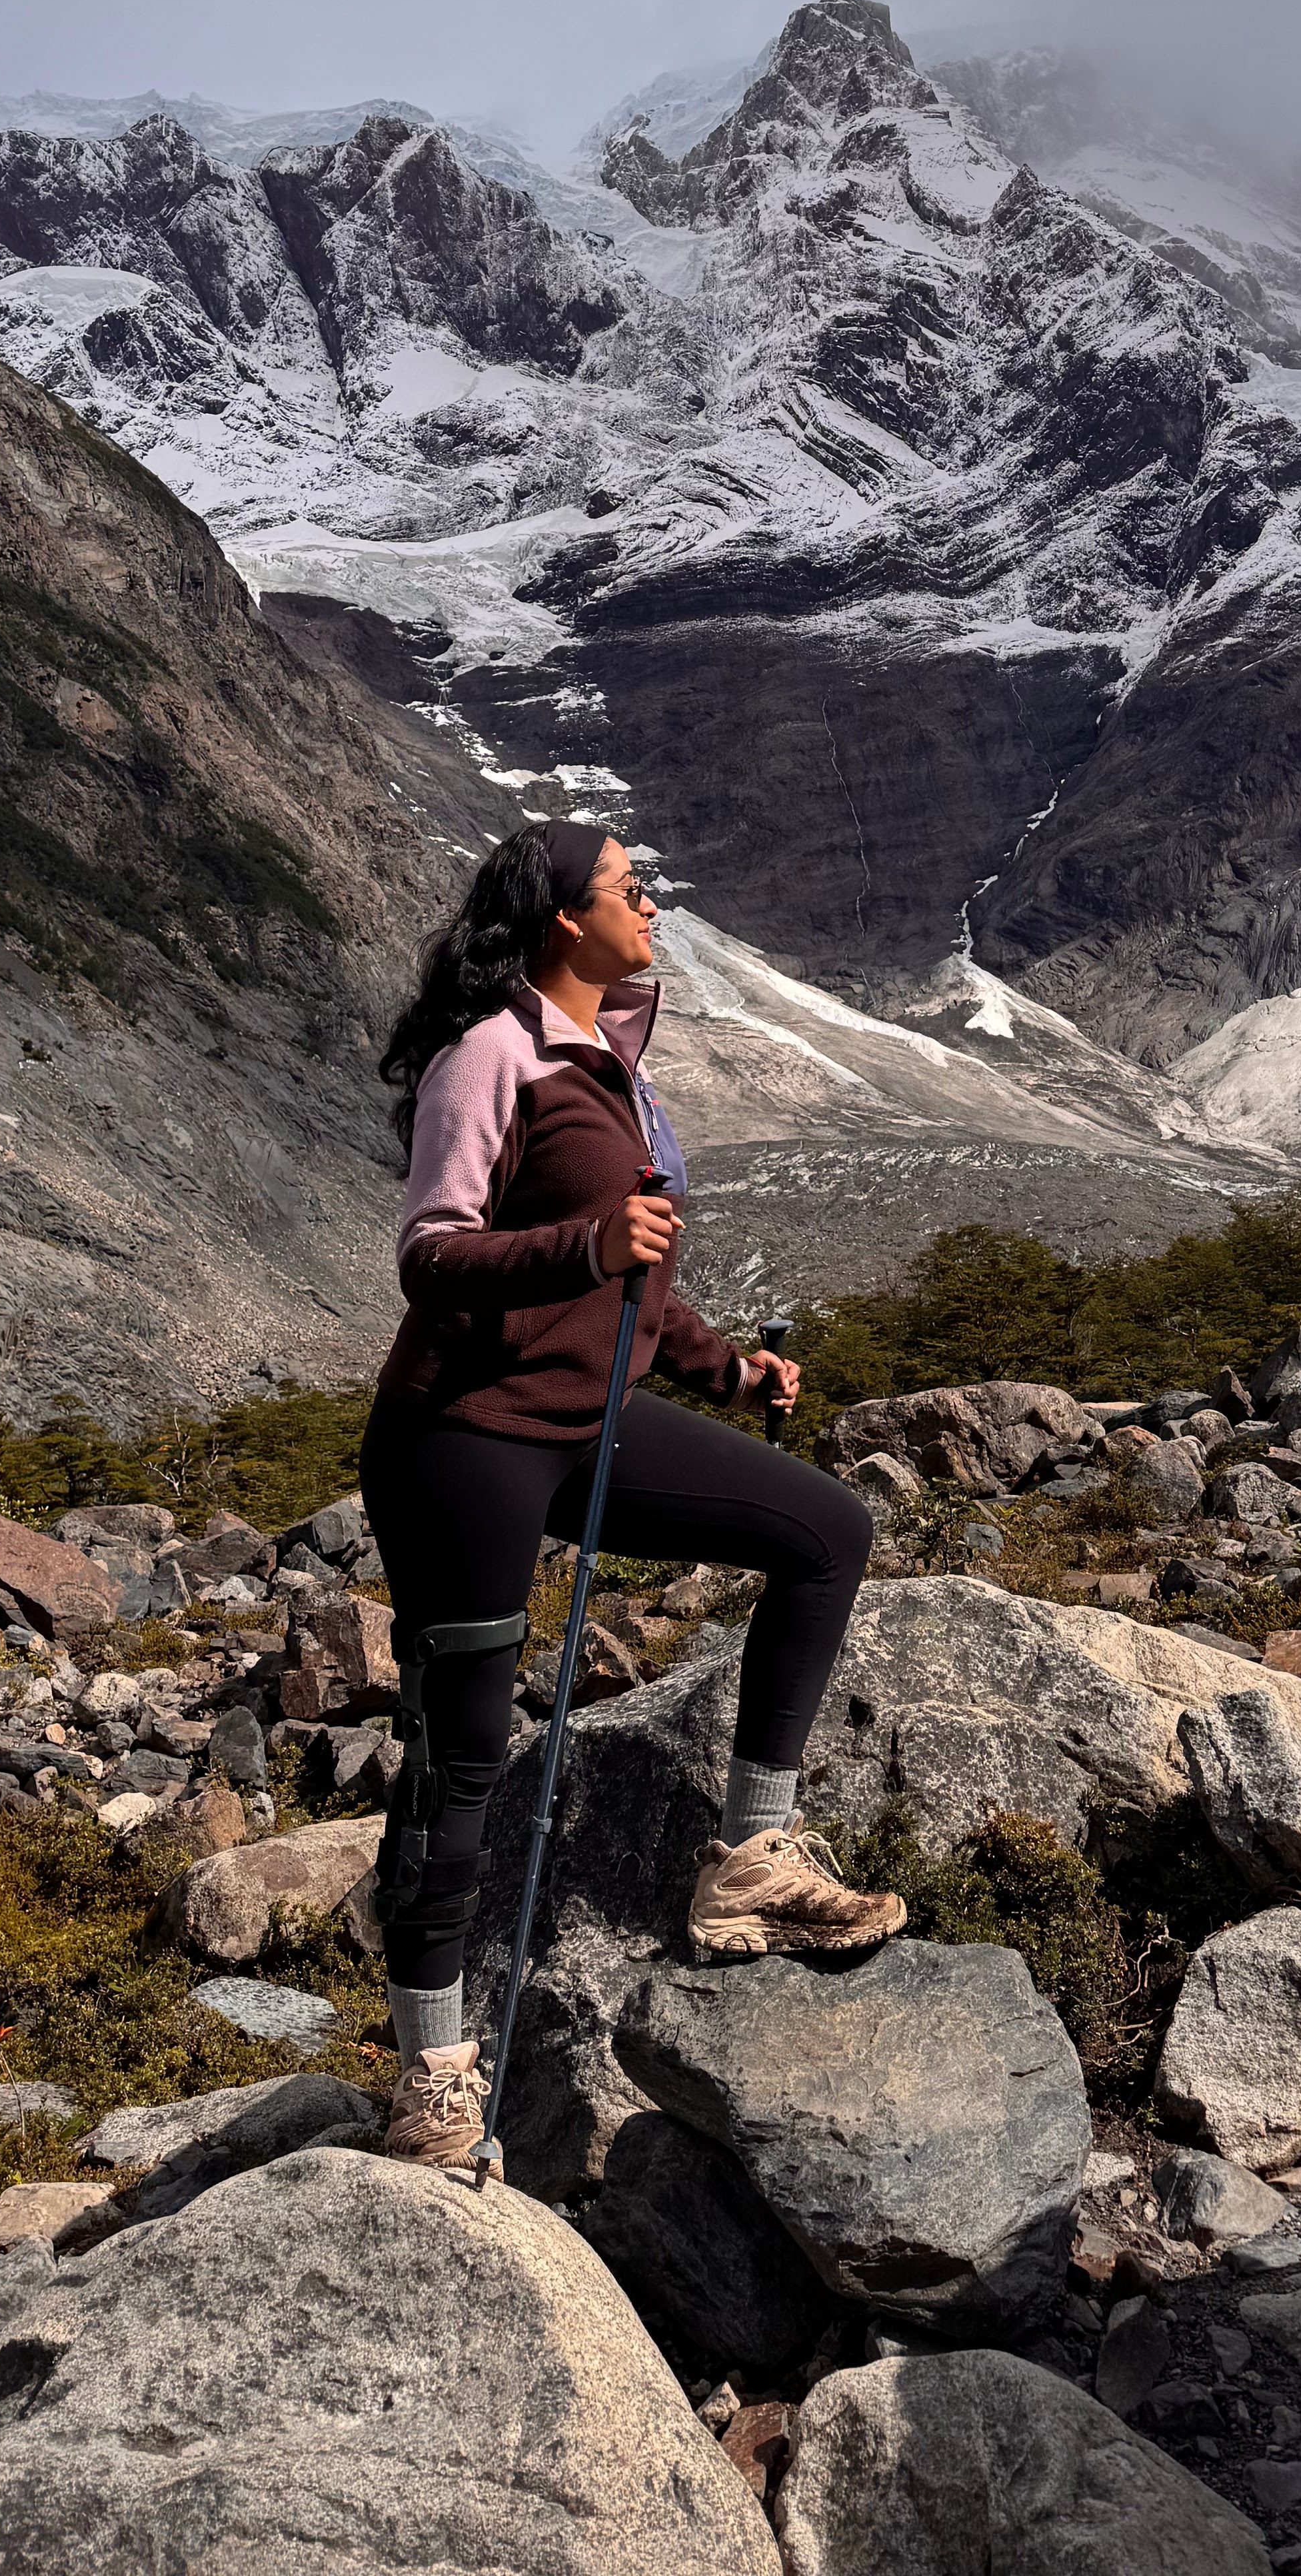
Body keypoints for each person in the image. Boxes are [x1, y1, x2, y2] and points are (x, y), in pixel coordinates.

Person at [361, 816, 904, 2170]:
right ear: (562, 920)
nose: (651, 903)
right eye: (629, 888)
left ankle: (751, 1865)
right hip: (464, 1438)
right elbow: (431, 1256)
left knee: (827, 1532)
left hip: (586, 1418)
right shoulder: (493, 1054)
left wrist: (725, 1370)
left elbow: (637, 1280)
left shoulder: (614, 1058)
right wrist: (580, 1241)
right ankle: (430, 2073)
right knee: (461, 1752)